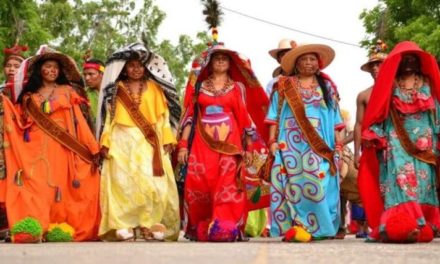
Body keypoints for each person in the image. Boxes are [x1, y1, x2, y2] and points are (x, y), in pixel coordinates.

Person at [0, 46, 100, 242]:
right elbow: (21, 122)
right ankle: (39, 225)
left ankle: (60, 226)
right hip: (36, 148)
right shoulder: (30, 95)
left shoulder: (69, 91)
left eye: (55, 67)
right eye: (48, 66)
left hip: (64, 148)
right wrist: (5, 104)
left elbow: (80, 121)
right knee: (39, 186)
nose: (52, 70)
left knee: (62, 187)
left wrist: (92, 147)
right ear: (40, 70)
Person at [177, 42, 269, 242]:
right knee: (199, 182)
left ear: (230, 63)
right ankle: (203, 224)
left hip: (231, 145)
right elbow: (190, 117)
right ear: (209, 63)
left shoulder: (236, 88)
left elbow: (244, 118)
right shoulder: (199, 87)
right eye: (216, 58)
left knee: (228, 184)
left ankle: (225, 226)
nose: (220, 61)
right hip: (202, 145)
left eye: (224, 58)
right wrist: (183, 145)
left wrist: (249, 147)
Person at [96, 43, 181, 241]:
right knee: (122, 183)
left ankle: (149, 225)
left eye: (140, 65)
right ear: (124, 67)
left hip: (149, 140)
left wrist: (168, 138)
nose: (136, 69)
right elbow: (109, 116)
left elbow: (163, 117)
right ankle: (123, 224)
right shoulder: (116, 89)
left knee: (153, 183)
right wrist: (105, 140)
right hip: (121, 138)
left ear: (146, 67)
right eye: (131, 65)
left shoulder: (154, 88)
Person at [359, 41, 440, 243]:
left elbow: (436, 111)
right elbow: (379, 112)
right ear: (397, 62)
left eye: (413, 59)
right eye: (405, 59)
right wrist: (374, 133)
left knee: (424, 182)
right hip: (396, 139)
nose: (409, 63)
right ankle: (399, 223)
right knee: (401, 179)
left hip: (424, 141)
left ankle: (425, 222)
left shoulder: (428, 84)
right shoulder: (389, 85)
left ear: (420, 62)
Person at [265, 42, 345, 241]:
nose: (309, 63)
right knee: (292, 182)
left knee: (317, 181)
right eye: (304, 60)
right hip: (290, 143)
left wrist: (339, 145)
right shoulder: (283, 85)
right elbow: (273, 115)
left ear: (318, 64)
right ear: (296, 64)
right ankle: (298, 225)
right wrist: (272, 141)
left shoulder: (327, 87)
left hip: (320, 143)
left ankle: (320, 227)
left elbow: (336, 120)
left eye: (312, 59)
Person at [354, 40, 387, 169]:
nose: (374, 68)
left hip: (398, 143)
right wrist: (356, 153)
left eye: (378, 64)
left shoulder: (398, 90)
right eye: (372, 65)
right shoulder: (363, 95)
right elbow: (359, 124)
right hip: (372, 145)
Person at [83, 59, 104, 127]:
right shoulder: (83, 94)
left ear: (102, 74)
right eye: (85, 75)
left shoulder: (114, 92)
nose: (87, 78)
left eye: (91, 74)